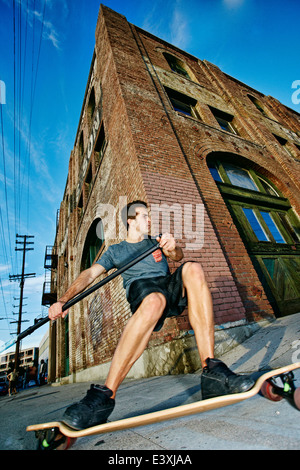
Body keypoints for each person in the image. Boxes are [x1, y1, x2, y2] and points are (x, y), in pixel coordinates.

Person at [49, 200, 254, 430]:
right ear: (130, 221)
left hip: (167, 284)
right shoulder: (116, 251)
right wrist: (63, 299)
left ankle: (212, 371)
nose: (149, 220)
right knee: (155, 300)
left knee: (193, 268)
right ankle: (104, 396)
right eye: (144, 215)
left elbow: (177, 256)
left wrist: (172, 247)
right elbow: (89, 274)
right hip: (143, 289)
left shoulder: (156, 241)